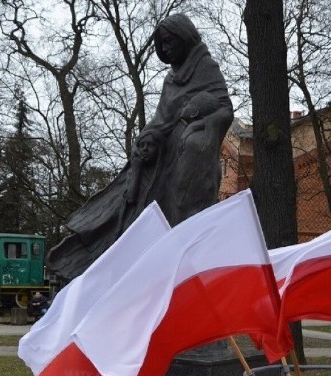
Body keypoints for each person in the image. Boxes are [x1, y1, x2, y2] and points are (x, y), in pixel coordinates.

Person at [47, 13, 233, 282]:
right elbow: (162, 118)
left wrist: (197, 127)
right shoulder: (172, 78)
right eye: (162, 44)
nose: (166, 49)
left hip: (188, 166)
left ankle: (173, 268)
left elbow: (224, 110)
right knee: (125, 201)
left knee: (175, 222)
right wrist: (148, 136)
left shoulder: (206, 68)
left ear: (184, 37)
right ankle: (96, 257)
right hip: (160, 157)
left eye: (169, 42)